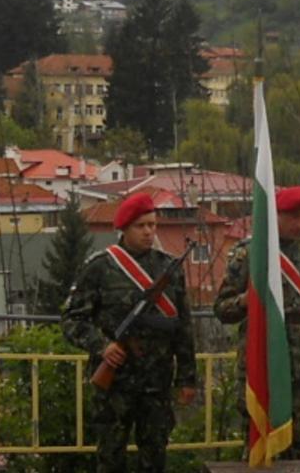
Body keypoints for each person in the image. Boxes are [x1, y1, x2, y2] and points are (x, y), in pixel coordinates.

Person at [62, 192, 196, 472]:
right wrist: (102, 346)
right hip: (116, 384)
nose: (149, 232)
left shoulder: (168, 268)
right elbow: (73, 319)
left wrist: (187, 377)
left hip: (156, 383)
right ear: (124, 228)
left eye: (152, 225)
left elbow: (183, 327)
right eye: (141, 226)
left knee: (154, 457)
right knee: (111, 458)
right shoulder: (100, 267)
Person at [214, 186, 300, 459]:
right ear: (275, 215)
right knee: (258, 447)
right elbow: (222, 309)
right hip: (261, 364)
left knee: (297, 447)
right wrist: (244, 301)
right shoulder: (250, 253)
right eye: (293, 217)